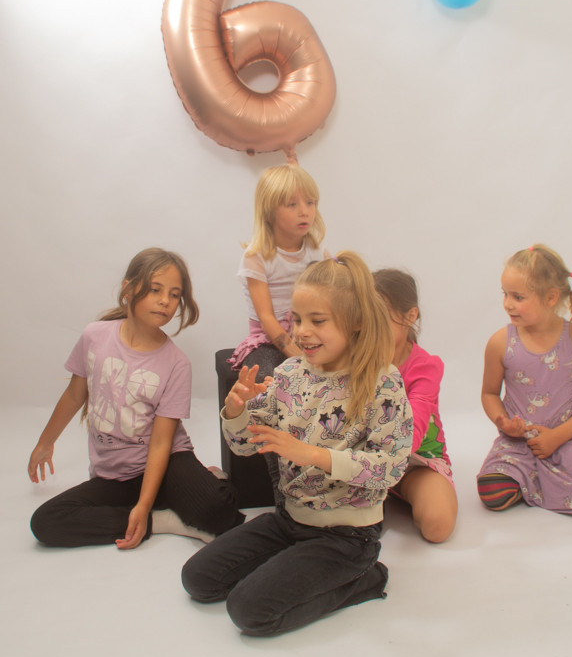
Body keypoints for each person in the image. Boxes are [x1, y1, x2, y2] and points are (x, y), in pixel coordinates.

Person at [182, 251, 413, 636]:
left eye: (317, 321)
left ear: (355, 322)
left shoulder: (382, 382)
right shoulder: (289, 374)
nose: (302, 331)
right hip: (289, 520)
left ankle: (365, 578)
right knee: (198, 580)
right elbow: (244, 447)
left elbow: (390, 468)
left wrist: (312, 455)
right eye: (297, 319)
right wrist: (237, 411)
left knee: (248, 611)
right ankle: (295, 564)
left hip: (347, 536)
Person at [28, 248, 244, 549]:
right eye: (155, 290)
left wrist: (142, 504)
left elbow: (161, 442)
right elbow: (75, 394)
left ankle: (209, 481)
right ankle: (163, 520)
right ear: (128, 289)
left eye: (174, 295)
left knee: (221, 514)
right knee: (45, 522)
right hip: (114, 476)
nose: (165, 301)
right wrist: (45, 443)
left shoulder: (177, 363)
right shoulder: (94, 336)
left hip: (167, 462)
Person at [477, 244, 572, 513]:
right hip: (518, 443)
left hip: (568, 440)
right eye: (505, 294)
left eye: (518, 297)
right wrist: (504, 423)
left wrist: (556, 437)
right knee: (491, 491)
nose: (508, 303)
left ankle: (536, 485)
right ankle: (529, 480)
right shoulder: (500, 342)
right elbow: (489, 393)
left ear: (551, 297)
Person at [374, 269, 457, 542]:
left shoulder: (425, 366)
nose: (371, 327)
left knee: (437, 526)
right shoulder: (355, 358)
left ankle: (390, 490)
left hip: (415, 461)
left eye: (381, 317)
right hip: (364, 458)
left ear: (410, 315)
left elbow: (414, 429)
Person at [228, 163, 328, 382]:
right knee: (266, 376)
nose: (304, 211)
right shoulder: (257, 257)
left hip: (309, 334)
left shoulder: (318, 253)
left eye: (310, 202)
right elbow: (266, 318)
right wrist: (299, 356)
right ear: (269, 213)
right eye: (292, 204)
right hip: (268, 341)